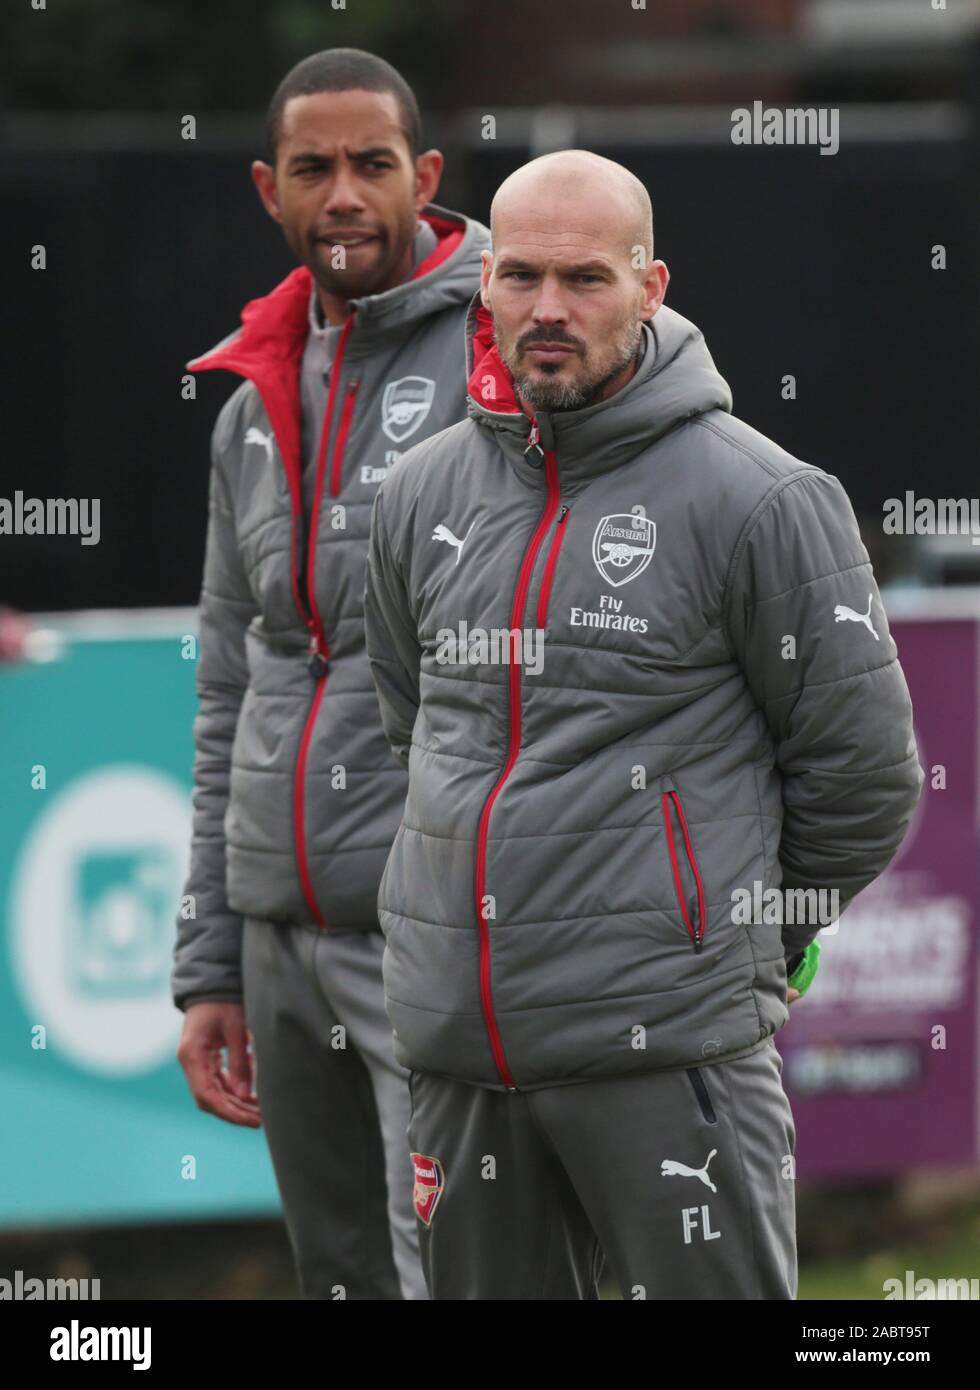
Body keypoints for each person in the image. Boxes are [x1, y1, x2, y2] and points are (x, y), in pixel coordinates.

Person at [363, 149, 924, 1299]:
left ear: (650, 286)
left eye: (584, 280)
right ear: (482, 286)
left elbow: (864, 776)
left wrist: (718, 940)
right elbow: (411, 729)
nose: (547, 310)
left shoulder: (761, 496)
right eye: (518, 277)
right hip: (461, 1051)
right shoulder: (418, 492)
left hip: (663, 1050)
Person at [171, 48, 489, 1300]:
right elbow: (227, 686)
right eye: (314, 168)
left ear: (423, 176)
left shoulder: (504, 347)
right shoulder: (248, 400)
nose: (343, 193)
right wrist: (210, 958)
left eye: (371, 164)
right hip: (276, 937)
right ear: (270, 188)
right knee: (341, 1280)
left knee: (447, 1274)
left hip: (431, 930)